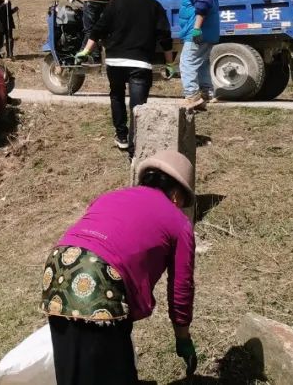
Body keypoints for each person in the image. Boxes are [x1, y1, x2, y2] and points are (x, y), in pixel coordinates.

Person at [40, 150, 198, 384]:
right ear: (176, 195)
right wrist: (182, 336)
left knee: (72, 372)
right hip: (100, 278)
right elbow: (181, 287)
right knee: (114, 373)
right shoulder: (178, 223)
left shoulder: (111, 196)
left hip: (58, 265)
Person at [75, 0, 172, 154]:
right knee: (138, 104)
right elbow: (165, 37)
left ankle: (121, 136)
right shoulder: (155, 6)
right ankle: (136, 141)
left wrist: (86, 51)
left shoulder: (116, 3)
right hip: (140, 63)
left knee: (116, 96)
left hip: (115, 61)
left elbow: (97, 29)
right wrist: (170, 64)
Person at [178, 0, 221, 112]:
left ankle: (192, 96)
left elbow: (203, 3)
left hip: (196, 33)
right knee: (202, 64)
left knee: (186, 63)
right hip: (208, 32)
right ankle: (208, 93)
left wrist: (196, 28)